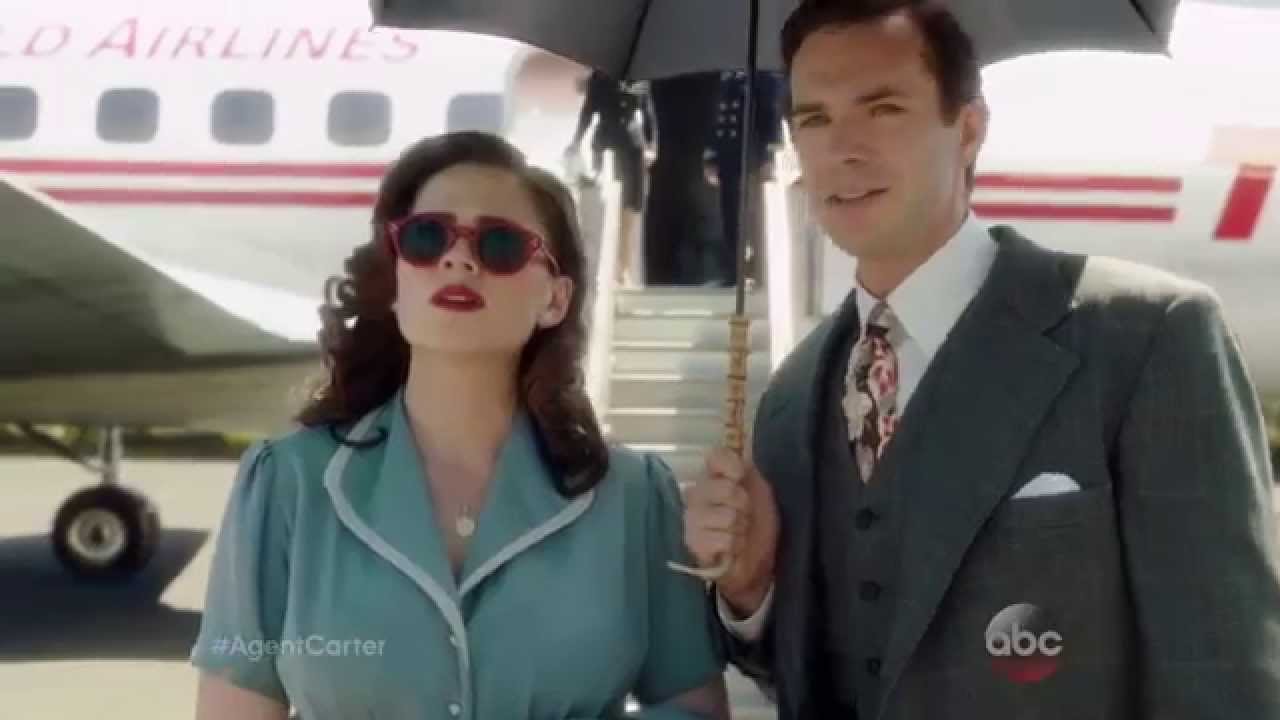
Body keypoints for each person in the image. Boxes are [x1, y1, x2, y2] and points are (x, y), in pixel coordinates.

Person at [680, 1, 1280, 719]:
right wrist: (750, 590)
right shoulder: (791, 399)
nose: (843, 148)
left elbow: (1221, 672)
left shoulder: (1145, 339)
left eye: (883, 109)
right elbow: (805, 677)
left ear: (968, 129)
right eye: (814, 118)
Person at [190, 131, 728, 719]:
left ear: (555, 299)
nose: (458, 259)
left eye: (500, 245)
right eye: (427, 237)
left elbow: (696, 711)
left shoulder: (635, 499)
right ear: (395, 279)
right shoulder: (285, 483)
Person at [565, 70, 654, 287]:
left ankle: (624, 267)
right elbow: (588, 111)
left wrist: (651, 144)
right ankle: (608, 268)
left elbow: (648, 112)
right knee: (607, 204)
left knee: (631, 207)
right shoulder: (601, 76)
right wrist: (577, 140)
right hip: (606, 141)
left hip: (633, 145)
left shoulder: (640, 76)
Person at [703, 70, 787, 288]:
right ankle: (734, 272)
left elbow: (770, 115)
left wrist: (768, 157)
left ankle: (757, 270)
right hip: (728, 155)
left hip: (751, 156)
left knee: (752, 216)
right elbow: (716, 117)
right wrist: (711, 154)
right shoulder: (727, 77)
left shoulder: (762, 77)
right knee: (731, 215)